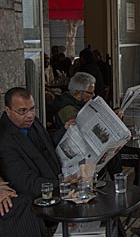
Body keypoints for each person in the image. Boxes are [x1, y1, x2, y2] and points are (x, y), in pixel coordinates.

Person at [0, 87, 71, 236]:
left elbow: (46, 148)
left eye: (32, 109)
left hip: (57, 180)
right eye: (22, 111)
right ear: (7, 110)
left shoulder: (31, 122)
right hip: (38, 196)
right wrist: (64, 184)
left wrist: (64, 130)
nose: (30, 115)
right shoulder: (4, 139)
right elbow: (26, 183)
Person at [52, 72, 123, 176]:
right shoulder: (67, 108)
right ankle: (115, 176)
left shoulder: (79, 103)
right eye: (90, 93)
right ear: (78, 93)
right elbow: (80, 128)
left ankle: (115, 175)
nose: (93, 95)